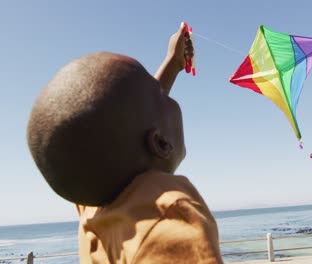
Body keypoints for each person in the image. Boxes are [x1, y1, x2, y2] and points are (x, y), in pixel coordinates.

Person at [27, 22, 223, 263]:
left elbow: (115, 124)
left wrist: (173, 63)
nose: (163, 90)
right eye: (159, 94)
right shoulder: (168, 218)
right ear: (161, 144)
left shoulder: (93, 204)